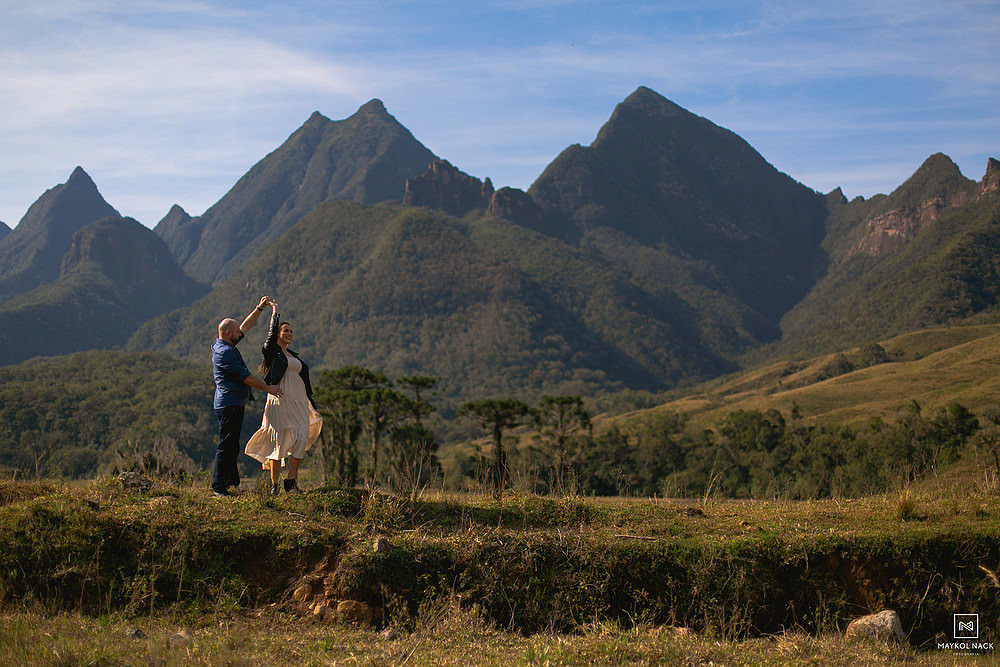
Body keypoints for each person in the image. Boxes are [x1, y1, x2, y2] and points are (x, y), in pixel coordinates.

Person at [245, 300, 323, 495]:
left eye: (291, 331)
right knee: (279, 442)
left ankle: (291, 482)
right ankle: (274, 486)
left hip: (299, 402)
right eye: (285, 330)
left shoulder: (295, 357)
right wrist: (275, 312)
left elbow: (306, 383)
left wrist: (312, 404)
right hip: (280, 400)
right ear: (278, 334)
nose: (289, 333)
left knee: (302, 436)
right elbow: (270, 337)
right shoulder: (273, 353)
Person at [211, 296, 283, 497]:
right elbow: (246, 378)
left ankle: (231, 483)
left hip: (232, 402)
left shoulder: (224, 344)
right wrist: (268, 388)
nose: (239, 334)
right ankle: (218, 486)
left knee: (232, 444)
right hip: (229, 403)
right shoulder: (224, 353)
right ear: (227, 333)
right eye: (235, 332)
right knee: (226, 445)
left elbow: (244, 327)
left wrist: (259, 308)